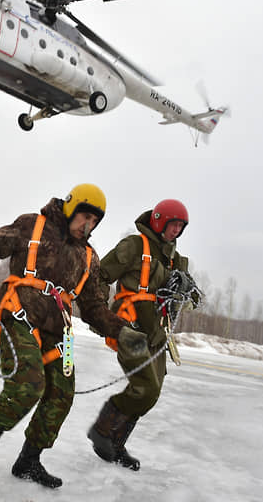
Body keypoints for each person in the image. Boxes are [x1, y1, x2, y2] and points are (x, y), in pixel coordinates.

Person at [0, 183, 150, 489]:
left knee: (61, 394)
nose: (87, 225)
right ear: (70, 208)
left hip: (58, 327)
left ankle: (29, 460)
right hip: (19, 311)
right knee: (30, 382)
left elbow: (92, 307)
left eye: (94, 222)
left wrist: (122, 331)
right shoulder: (32, 226)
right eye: (84, 217)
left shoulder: (89, 257)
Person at [87, 199, 196, 471]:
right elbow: (100, 275)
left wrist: (187, 291)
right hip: (130, 328)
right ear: (159, 221)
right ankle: (102, 430)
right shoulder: (134, 246)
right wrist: (99, 313)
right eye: (173, 225)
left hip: (157, 333)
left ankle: (116, 442)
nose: (176, 231)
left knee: (151, 392)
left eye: (181, 227)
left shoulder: (177, 260)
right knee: (145, 387)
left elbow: (181, 299)